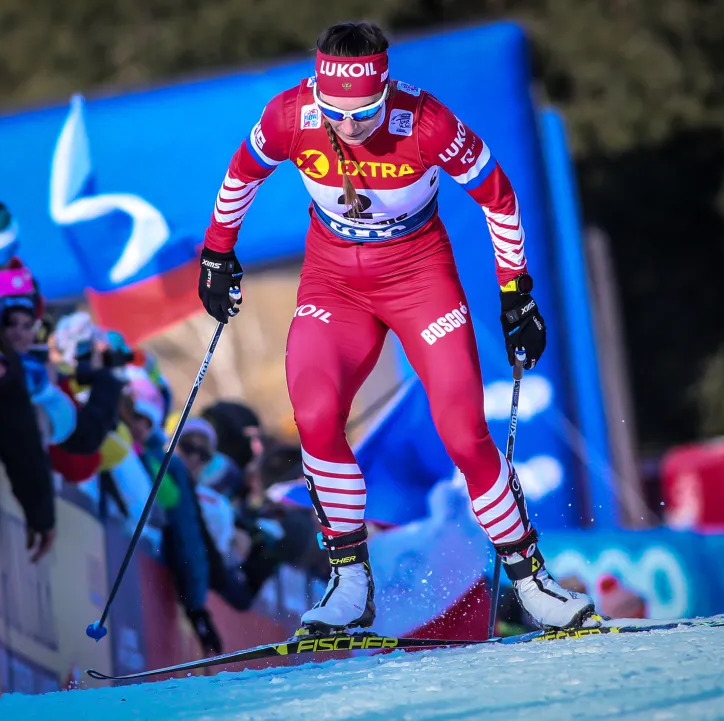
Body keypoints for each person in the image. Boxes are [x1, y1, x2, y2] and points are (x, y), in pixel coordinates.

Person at [197, 20, 595, 632]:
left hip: (419, 279)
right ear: (317, 91)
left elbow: (500, 198)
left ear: (387, 92)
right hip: (334, 282)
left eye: (366, 112)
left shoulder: (427, 121)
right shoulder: (290, 116)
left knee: (463, 434)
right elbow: (240, 176)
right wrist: (218, 255)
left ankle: (531, 580)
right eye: (337, 112)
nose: (351, 127)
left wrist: (517, 296)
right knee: (315, 415)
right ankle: (350, 583)